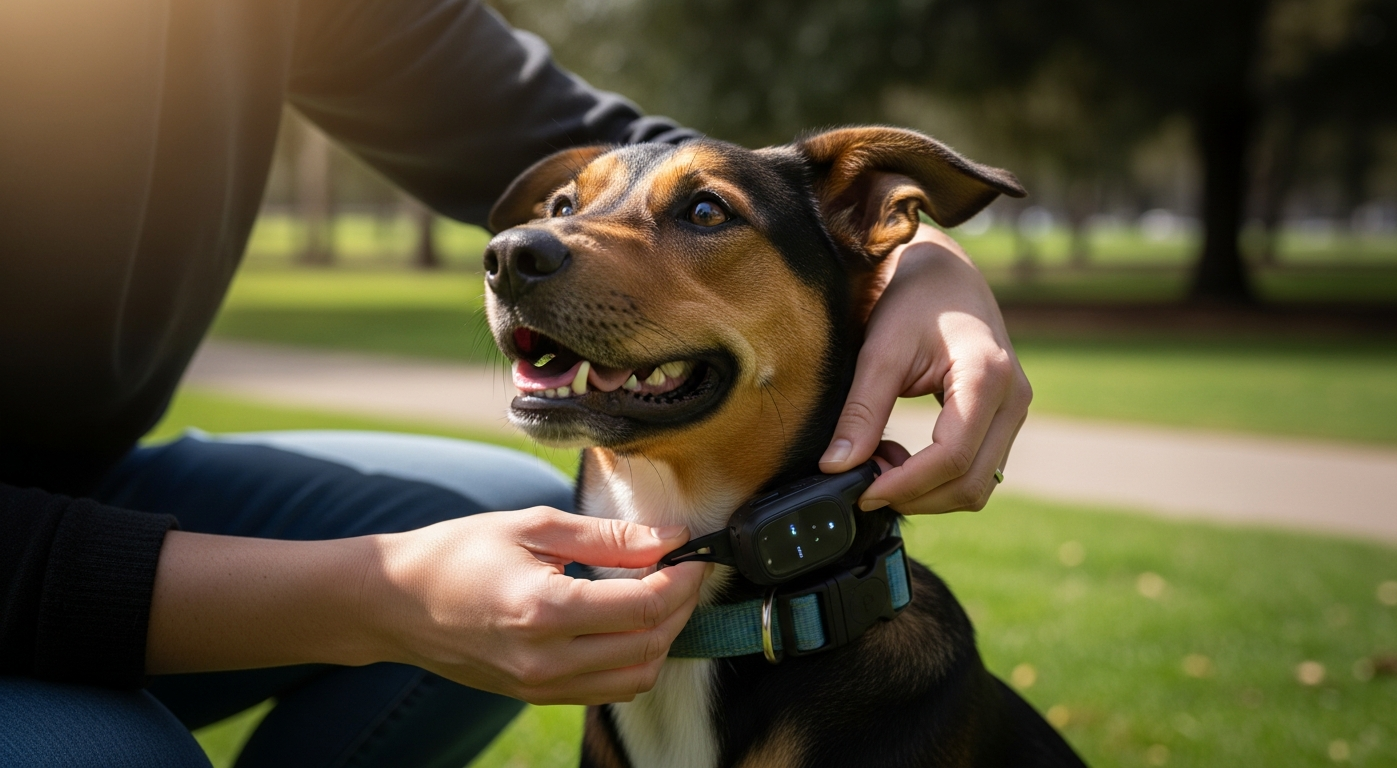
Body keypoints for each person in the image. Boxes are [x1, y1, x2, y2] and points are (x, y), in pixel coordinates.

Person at [0, 1, 1032, 766]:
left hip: (89, 491)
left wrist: (920, 266)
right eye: (558, 212)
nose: (532, 244)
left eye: (702, 220)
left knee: (517, 514)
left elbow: (607, 142)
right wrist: (379, 598)